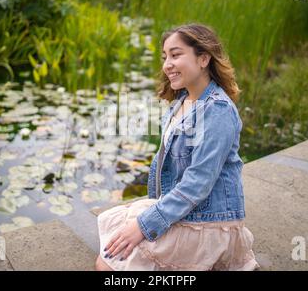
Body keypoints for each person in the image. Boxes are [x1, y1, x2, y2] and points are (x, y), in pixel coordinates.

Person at [95, 23, 260, 271]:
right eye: (165, 57)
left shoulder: (217, 110)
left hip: (209, 221)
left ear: (203, 58)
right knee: (111, 225)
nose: (166, 65)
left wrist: (145, 225)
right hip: (187, 210)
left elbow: (198, 183)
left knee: (107, 265)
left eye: (175, 55)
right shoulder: (180, 103)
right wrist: (152, 214)